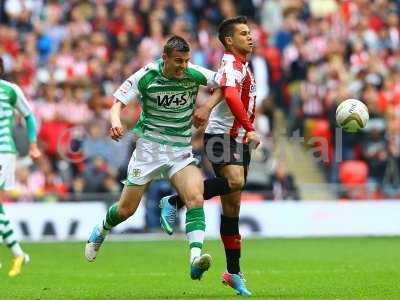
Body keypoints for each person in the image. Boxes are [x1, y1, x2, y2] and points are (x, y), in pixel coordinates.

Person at [85, 35, 228, 280]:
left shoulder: (193, 73)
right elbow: (117, 104)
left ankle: (195, 259)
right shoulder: (147, 75)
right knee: (125, 210)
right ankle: (102, 229)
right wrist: (117, 123)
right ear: (165, 58)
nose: (183, 66)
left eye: (186, 61)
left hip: (180, 150)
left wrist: (207, 107)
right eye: (178, 61)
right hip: (148, 150)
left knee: (195, 197)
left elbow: (225, 85)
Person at [160, 16, 260, 296]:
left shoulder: (242, 65)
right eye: (243, 33)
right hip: (221, 135)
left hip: (237, 138)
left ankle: (233, 273)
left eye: (250, 33)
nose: (250, 37)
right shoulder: (229, 62)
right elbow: (229, 94)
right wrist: (251, 128)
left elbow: (223, 90)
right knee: (236, 181)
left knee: (232, 207)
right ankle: (175, 200)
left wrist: (207, 105)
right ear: (229, 40)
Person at [0, 57, 41, 277]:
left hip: (3, 151)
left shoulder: (10, 90)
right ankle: (18, 254)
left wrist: (33, 144)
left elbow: (28, 116)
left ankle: (17, 254)